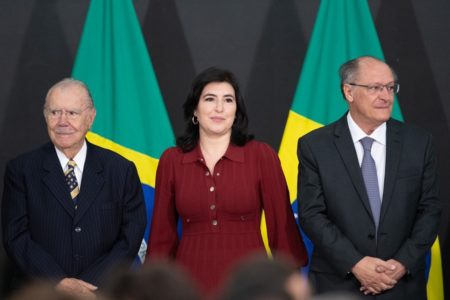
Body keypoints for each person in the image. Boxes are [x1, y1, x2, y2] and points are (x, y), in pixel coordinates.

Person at [147, 67, 307, 296]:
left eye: (228, 100)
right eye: (210, 99)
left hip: (252, 284)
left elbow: (282, 227)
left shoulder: (261, 155)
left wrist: (291, 281)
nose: (219, 108)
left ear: (236, 110)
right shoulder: (172, 159)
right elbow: (162, 235)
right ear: (195, 109)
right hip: (188, 282)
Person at [297, 56, 441, 299]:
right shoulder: (315, 146)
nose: (386, 96)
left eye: (390, 87)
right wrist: (356, 263)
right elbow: (312, 214)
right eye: (375, 88)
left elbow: (431, 209)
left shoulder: (419, 143)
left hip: (401, 284)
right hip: (339, 283)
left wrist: (401, 263)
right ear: (349, 92)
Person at [2, 78, 147, 298]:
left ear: (91, 117)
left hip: (103, 292)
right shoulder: (21, 170)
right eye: (55, 112)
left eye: (72, 113)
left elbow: (131, 235)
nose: (62, 121)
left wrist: (90, 284)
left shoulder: (120, 170)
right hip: (40, 292)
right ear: (45, 116)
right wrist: (58, 282)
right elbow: (16, 237)